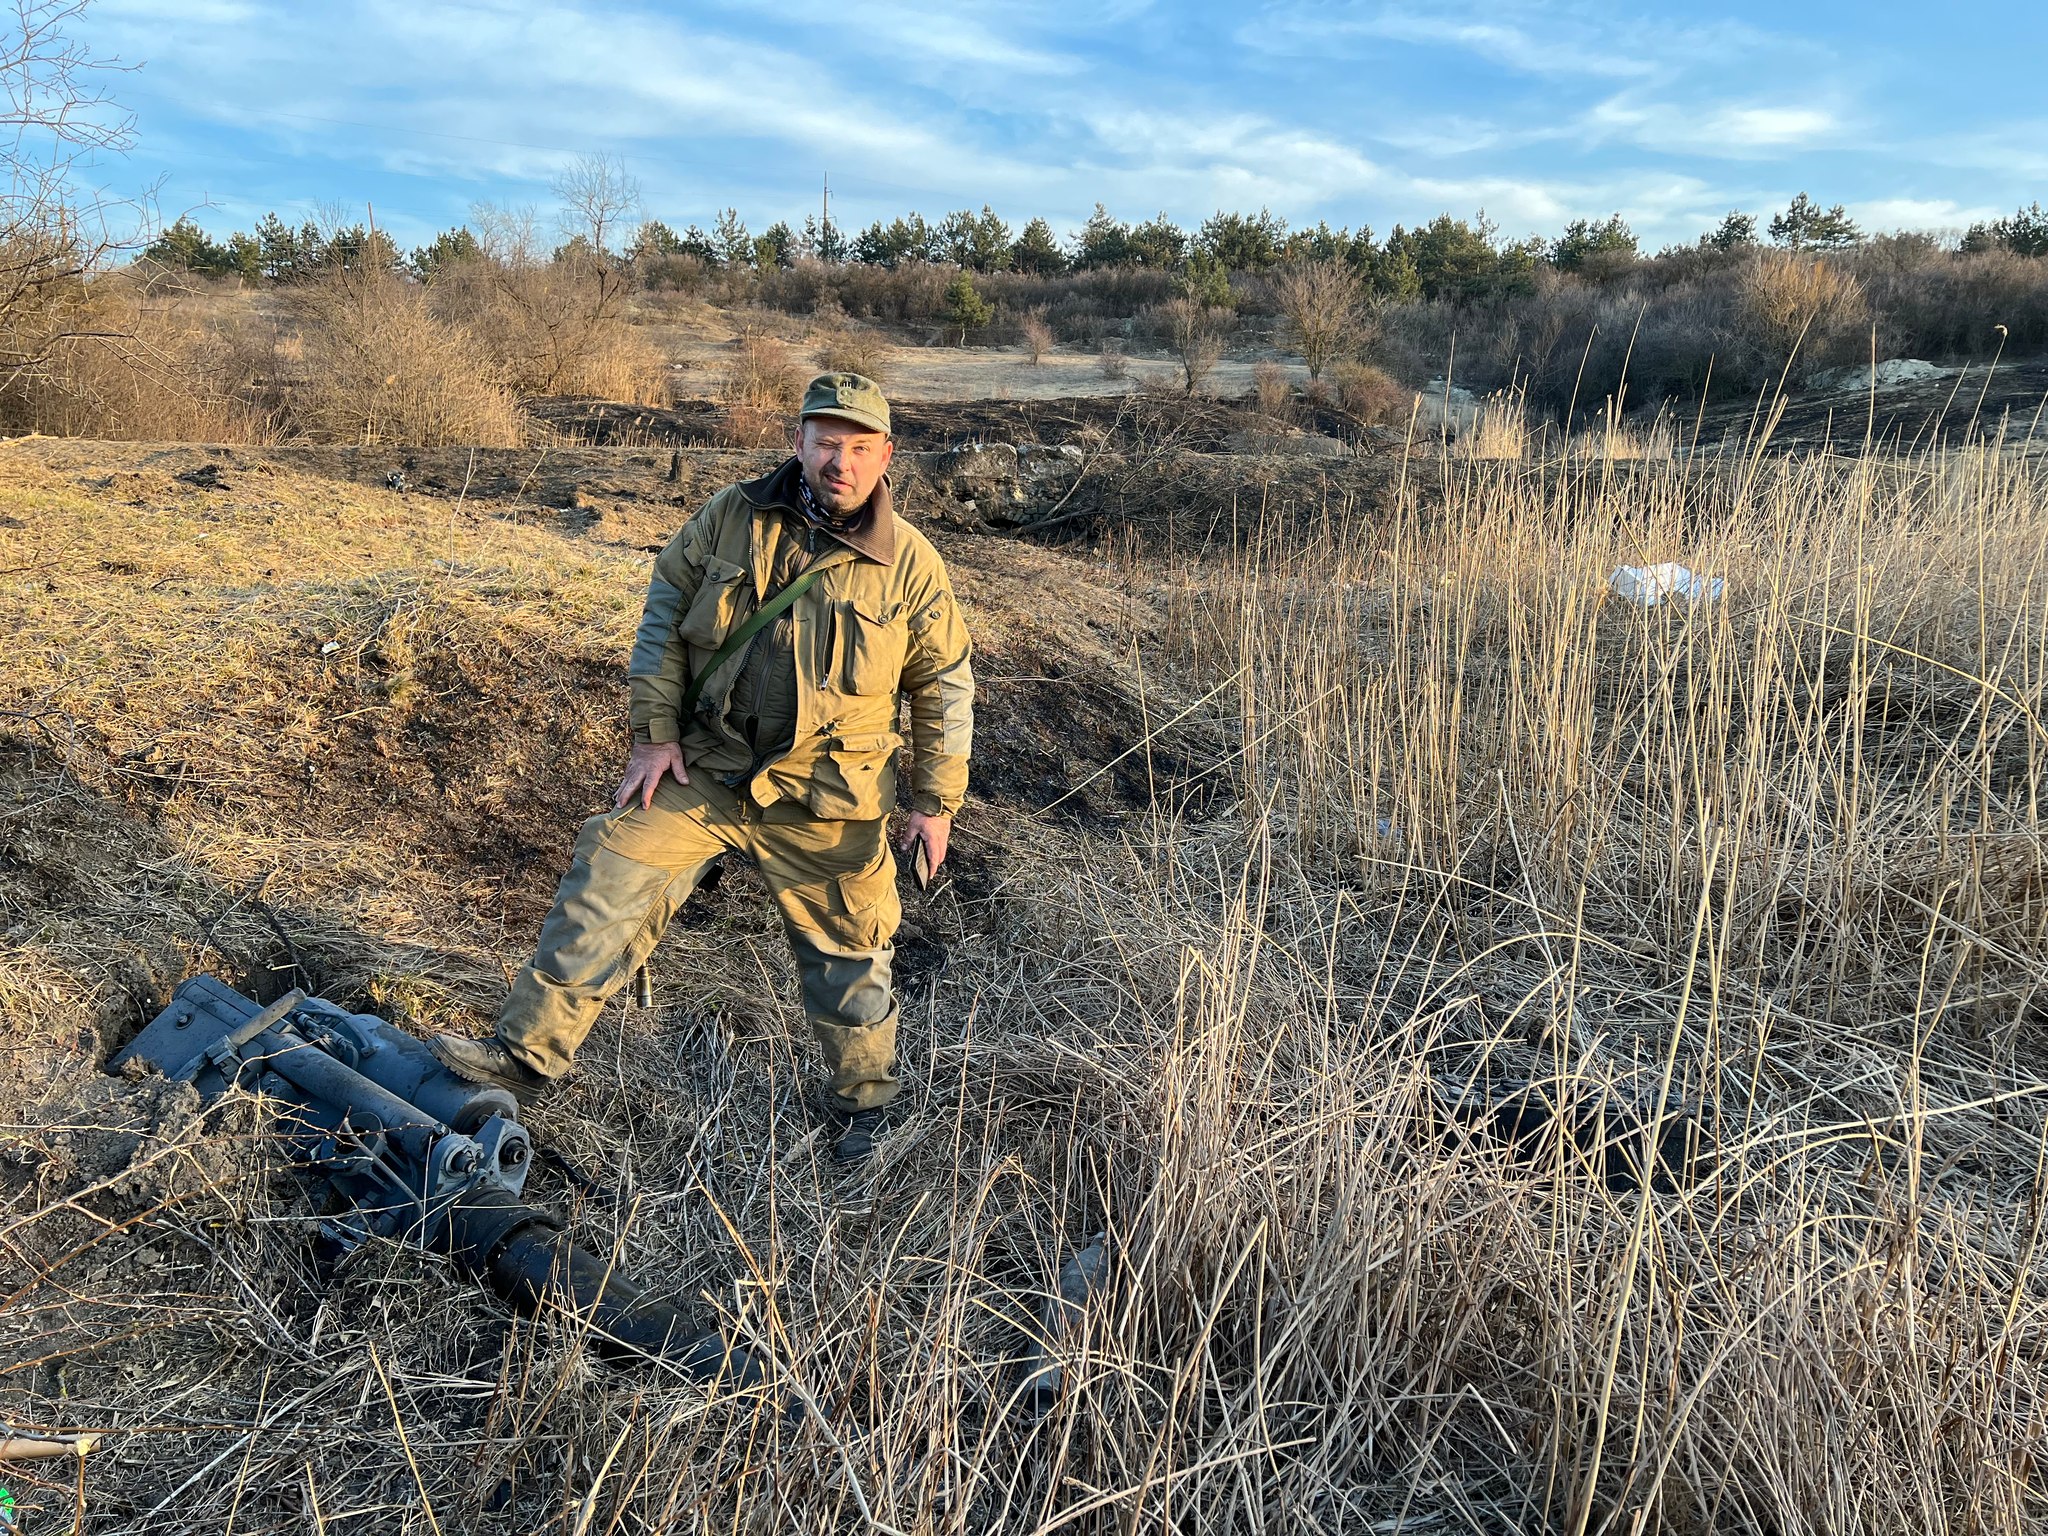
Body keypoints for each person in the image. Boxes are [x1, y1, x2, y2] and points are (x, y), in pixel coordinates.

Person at [432, 373, 973, 1165]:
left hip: (831, 798)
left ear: (886, 456)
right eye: (826, 442)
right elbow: (663, 617)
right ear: (799, 442)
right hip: (711, 770)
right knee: (610, 864)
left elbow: (944, 683)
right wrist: (654, 737)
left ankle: (863, 1111)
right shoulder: (731, 516)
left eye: (860, 447)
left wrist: (935, 801)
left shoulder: (913, 567)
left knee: (852, 955)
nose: (841, 462)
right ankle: (525, 1058)